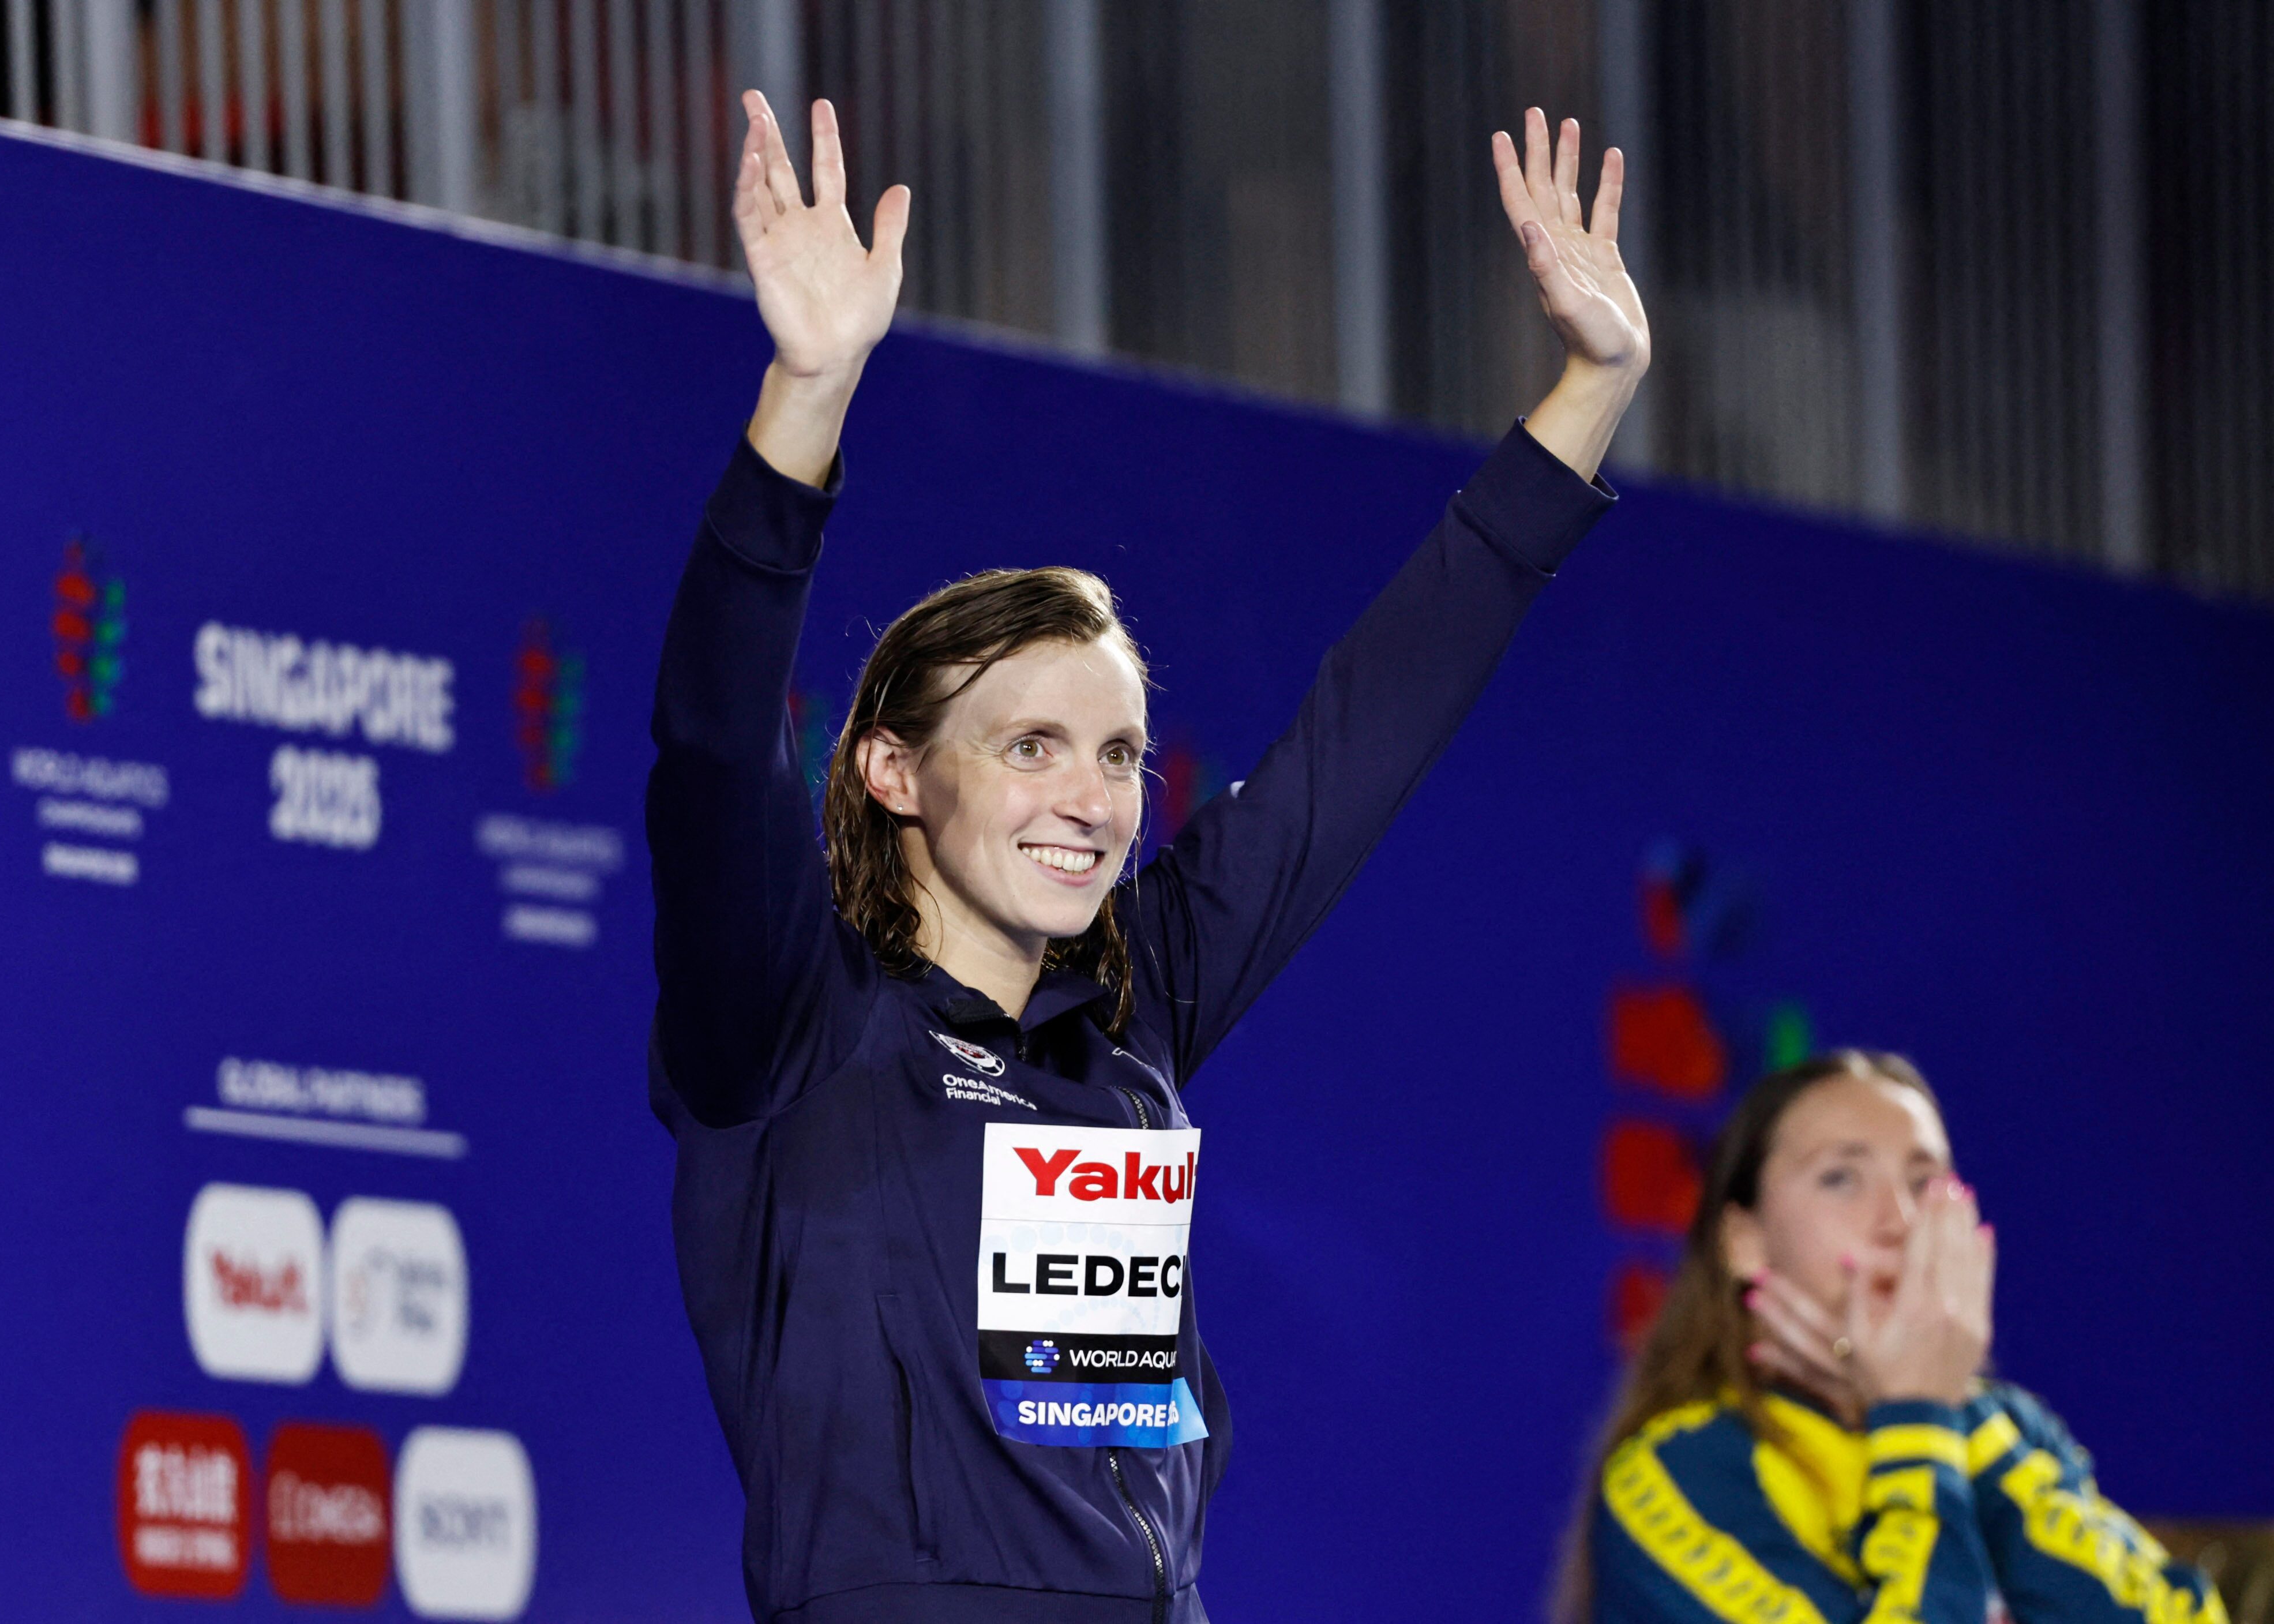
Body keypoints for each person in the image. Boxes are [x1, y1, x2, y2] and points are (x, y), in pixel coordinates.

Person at [647, 88, 1647, 1623]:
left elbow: (1358, 738)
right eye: (1028, 745)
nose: (1090, 797)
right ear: (893, 769)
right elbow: (715, 740)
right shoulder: (788, 1017)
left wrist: (1593, 386)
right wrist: (808, 391)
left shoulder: (1136, 1006)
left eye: (1117, 754)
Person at [1564, 1050, 2229, 1624]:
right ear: (1745, 1240)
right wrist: (1918, 1418)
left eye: (1924, 1181)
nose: (1900, 1219)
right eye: (1842, 1177)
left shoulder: (2002, 1429)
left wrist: (1951, 1411)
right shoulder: (1678, 1474)